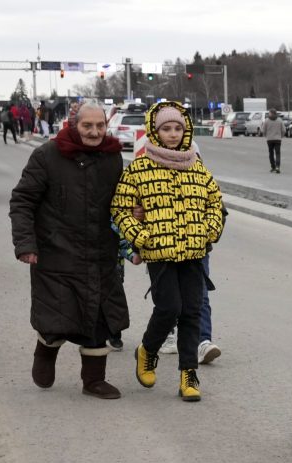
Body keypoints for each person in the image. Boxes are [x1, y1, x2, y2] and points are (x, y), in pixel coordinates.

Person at [9, 101, 128, 399]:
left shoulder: (113, 158)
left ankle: (93, 381)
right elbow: (23, 201)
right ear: (73, 125)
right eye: (88, 125)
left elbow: (122, 202)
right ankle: (45, 352)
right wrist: (26, 244)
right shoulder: (47, 155)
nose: (95, 131)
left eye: (100, 125)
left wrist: (134, 218)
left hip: (100, 252)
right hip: (56, 252)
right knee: (57, 317)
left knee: (99, 319)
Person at [111, 101, 224, 402]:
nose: (173, 134)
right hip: (159, 253)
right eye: (166, 128)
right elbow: (121, 209)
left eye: (178, 128)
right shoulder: (139, 169)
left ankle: (189, 374)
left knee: (192, 311)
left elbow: (215, 204)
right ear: (154, 131)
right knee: (169, 307)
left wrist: (210, 229)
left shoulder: (197, 167)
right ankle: (147, 350)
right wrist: (141, 236)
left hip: (193, 251)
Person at [262, 108, 285, 173]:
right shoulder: (280, 120)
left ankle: (273, 166)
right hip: (278, 139)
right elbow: (283, 130)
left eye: (269, 113)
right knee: (278, 153)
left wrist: (265, 135)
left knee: (271, 153)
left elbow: (263, 130)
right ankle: (277, 167)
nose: (268, 114)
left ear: (271, 113)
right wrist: (281, 136)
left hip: (269, 139)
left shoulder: (266, 121)